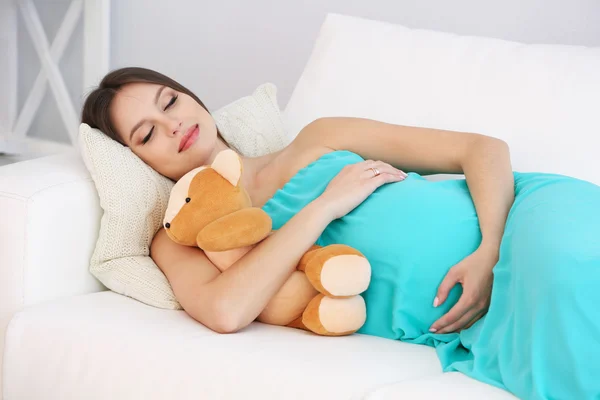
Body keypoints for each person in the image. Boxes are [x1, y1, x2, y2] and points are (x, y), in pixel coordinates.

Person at [82, 67, 600, 400]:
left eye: (169, 101)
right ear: (137, 160)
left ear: (194, 98)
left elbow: (482, 149)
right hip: (478, 316)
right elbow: (225, 311)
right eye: (146, 133)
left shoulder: (318, 138)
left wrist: (490, 250)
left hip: (524, 219)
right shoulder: (179, 239)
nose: (171, 125)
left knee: (567, 275)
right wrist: (325, 207)